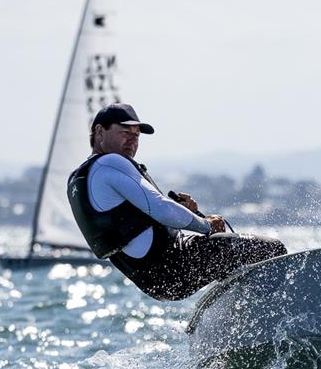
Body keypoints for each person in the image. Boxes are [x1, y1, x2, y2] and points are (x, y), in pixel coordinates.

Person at [67, 103, 287, 301]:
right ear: (99, 132)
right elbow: (161, 208)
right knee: (272, 249)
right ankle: (279, 316)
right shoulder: (110, 163)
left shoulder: (79, 180)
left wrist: (183, 211)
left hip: (156, 283)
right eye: (125, 132)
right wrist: (206, 225)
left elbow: (134, 221)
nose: (132, 141)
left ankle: (243, 314)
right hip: (175, 263)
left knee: (237, 263)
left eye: (137, 136)